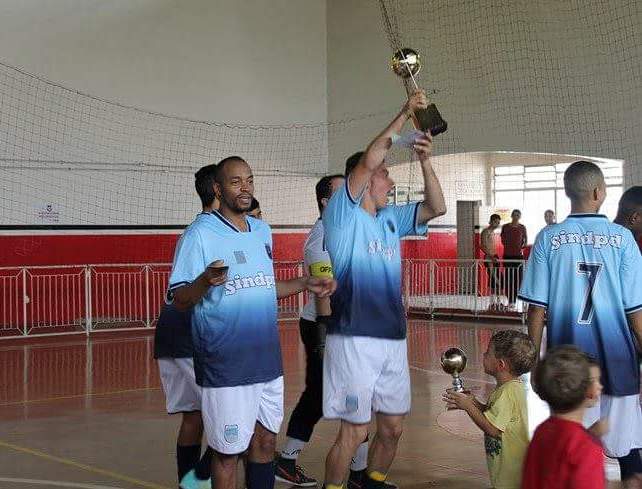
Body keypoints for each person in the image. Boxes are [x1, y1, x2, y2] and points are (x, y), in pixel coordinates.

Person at [168, 156, 335, 489]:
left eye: (249, 180)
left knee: (265, 443)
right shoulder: (199, 234)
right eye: (235, 182)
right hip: (226, 364)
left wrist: (305, 282)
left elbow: (263, 287)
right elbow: (179, 298)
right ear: (218, 189)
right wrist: (204, 281)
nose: (245, 188)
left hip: (267, 362)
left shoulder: (261, 230)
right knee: (227, 454)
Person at [321, 89, 446, 489]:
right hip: (354, 339)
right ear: (365, 178)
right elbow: (371, 157)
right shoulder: (342, 215)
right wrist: (405, 112)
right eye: (385, 173)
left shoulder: (392, 218)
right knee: (355, 431)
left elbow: (437, 207)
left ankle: (371, 483)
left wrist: (426, 162)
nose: (390, 179)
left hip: (392, 336)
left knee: (392, 428)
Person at [519, 161, 642, 487]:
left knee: (569, 445)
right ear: (599, 192)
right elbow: (636, 313)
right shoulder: (624, 239)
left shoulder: (548, 238)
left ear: (567, 192)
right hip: (618, 360)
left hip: (567, 365)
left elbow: (536, 311)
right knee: (628, 448)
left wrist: (535, 365)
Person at [275, 174, 369, 487]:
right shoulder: (322, 239)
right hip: (324, 325)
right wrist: (331, 338)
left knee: (356, 395)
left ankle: (359, 473)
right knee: (321, 393)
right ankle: (288, 460)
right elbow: (323, 293)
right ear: (326, 202)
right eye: (343, 194)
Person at [155, 163, 218, 489]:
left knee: (194, 415)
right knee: (236, 418)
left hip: (172, 331)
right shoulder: (208, 233)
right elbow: (189, 292)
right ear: (219, 189)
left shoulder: (196, 230)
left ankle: (188, 484)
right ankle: (198, 481)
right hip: (190, 333)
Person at [443, 330, 536, 489]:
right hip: (510, 468)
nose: (483, 355)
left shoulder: (507, 393)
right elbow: (492, 413)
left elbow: (493, 429)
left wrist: (468, 407)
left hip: (511, 473)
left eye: (488, 353)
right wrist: (473, 401)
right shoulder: (510, 388)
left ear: (501, 364)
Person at [522, 346, 605, 489]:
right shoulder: (587, 448)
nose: (600, 386)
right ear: (589, 391)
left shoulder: (542, 431)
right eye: (595, 380)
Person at [500, 209, 527, 306]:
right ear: (511, 216)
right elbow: (503, 240)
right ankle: (510, 300)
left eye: (518, 215)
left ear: (520, 217)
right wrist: (509, 247)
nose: (516, 217)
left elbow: (525, 241)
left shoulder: (522, 227)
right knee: (508, 278)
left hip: (518, 257)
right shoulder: (505, 227)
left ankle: (515, 299)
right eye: (514, 215)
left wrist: (519, 248)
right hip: (508, 256)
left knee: (518, 279)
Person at [480, 214, 501, 308]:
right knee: (494, 279)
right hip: (489, 258)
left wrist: (494, 257)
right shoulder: (485, 231)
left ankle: (497, 301)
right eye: (496, 222)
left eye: (498, 222)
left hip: (494, 257)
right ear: (491, 221)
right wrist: (491, 257)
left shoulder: (492, 232)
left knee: (496, 279)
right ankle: (492, 302)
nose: (497, 224)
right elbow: (482, 246)